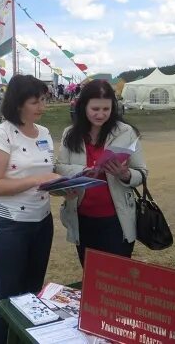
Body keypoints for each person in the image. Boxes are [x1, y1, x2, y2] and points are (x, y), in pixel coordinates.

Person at [0, 74, 62, 344]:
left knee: (32, 293)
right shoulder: (0, 135)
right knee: (6, 297)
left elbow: (47, 173)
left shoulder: (45, 134)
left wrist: (65, 185)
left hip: (42, 221)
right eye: (35, 101)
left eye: (43, 100)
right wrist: (38, 180)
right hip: (9, 225)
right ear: (18, 104)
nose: (42, 107)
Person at [56, 79, 148, 266]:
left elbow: (142, 172)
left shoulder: (126, 132)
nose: (100, 114)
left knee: (116, 277)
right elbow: (59, 167)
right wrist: (82, 172)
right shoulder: (70, 134)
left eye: (106, 109)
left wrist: (125, 174)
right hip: (82, 219)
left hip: (117, 220)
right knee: (91, 275)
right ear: (83, 107)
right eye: (95, 109)